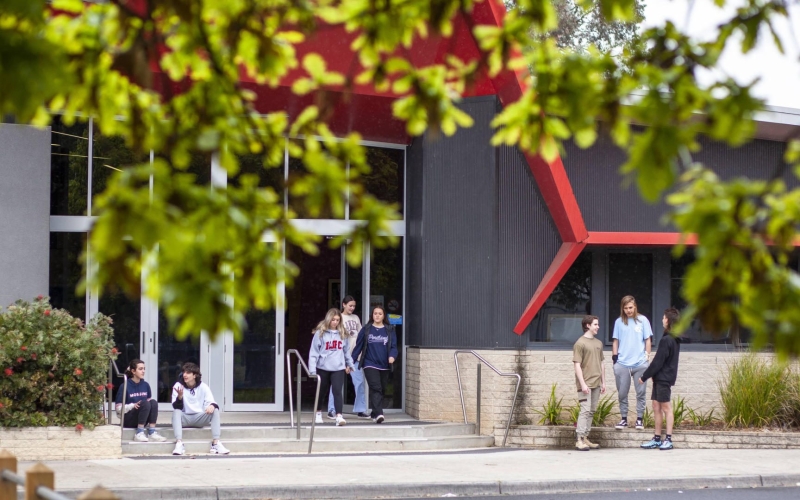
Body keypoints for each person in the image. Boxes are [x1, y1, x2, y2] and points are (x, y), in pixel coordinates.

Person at [639, 308, 682, 450]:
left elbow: (658, 361)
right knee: (656, 406)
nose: (662, 320)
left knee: (666, 408)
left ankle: (668, 439)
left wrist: (644, 376)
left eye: (664, 318)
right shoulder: (672, 339)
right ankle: (657, 439)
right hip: (660, 379)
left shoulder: (668, 340)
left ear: (668, 320)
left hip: (663, 379)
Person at [612, 295, 653, 430]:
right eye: (625, 308)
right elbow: (615, 341)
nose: (628, 310)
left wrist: (647, 356)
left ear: (635, 307)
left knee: (640, 392)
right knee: (622, 393)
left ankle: (639, 419)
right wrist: (615, 359)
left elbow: (647, 339)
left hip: (639, 363)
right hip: (622, 363)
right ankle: (623, 418)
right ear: (622, 309)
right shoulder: (619, 322)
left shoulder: (643, 320)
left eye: (630, 307)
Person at [171, 362, 229, 455]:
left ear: (195, 375)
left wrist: (211, 406)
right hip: (184, 419)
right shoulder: (178, 386)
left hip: (199, 418)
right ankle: (179, 443)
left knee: (215, 409)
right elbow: (176, 407)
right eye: (184, 372)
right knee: (176, 411)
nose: (185, 375)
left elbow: (213, 402)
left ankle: (216, 443)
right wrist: (180, 397)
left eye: (188, 373)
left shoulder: (203, 386)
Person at [352, 306, 398, 424]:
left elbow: (394, 347)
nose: (377, 316)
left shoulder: (389, 330)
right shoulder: (366, 329)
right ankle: (379, 414)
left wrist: (392, 356)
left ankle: (374, 412)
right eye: (375, 313)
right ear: (372, 315)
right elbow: (358, 347)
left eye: (380, 314)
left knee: (381, 389)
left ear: (384, 316)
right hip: (369, 363)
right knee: (375, 387)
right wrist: (350, 362)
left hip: (384, 365)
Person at [309, 308, 354, 426]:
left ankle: (339, 416)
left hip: (338, 368)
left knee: (337, 391)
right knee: (322, 391)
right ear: (328, 319)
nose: (335, 322)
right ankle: (318, 413)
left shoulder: (342, 334)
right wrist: (312, 370)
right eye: (333, 319)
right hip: (323, 368)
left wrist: (349, 364)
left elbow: (346, 352)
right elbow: (314, 352)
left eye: (337, 320)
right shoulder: (320, 333)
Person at [325, 296, 369, 419]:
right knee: (336, 384)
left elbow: (360, 335)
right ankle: (332, 409)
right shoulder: (338, 318)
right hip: (340, 357)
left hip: (355, 357)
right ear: (343, 305)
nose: (352, 308)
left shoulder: (356, 318)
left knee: (359, 383)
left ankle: (360, 409)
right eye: (350, 305)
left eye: (354, 306)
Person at [573, 315, 606, 451]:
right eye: (595, 324)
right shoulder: (580, 343)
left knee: (591, 411)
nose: (598, 327)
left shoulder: (598, 343)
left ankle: (585, 437)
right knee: (585, 410)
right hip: (585, 384)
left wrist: (603, 382)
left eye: (598, 324)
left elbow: (602, 363)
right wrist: (583, 384)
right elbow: (577, 365)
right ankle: (579, 440)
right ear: (588, 325)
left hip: (597, 383)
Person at [115, 359, 166, 442]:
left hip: (142, 418)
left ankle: (152, 432)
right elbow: (118, 409)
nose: (143, 371)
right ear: (133, 371)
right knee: (145, 403)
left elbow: (150, 405)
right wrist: (132, 406)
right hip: (128, 420)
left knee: (153, 402)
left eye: (144, 369)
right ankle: (139, 433)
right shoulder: (124, 386)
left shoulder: (146, 385)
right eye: (140, 369)